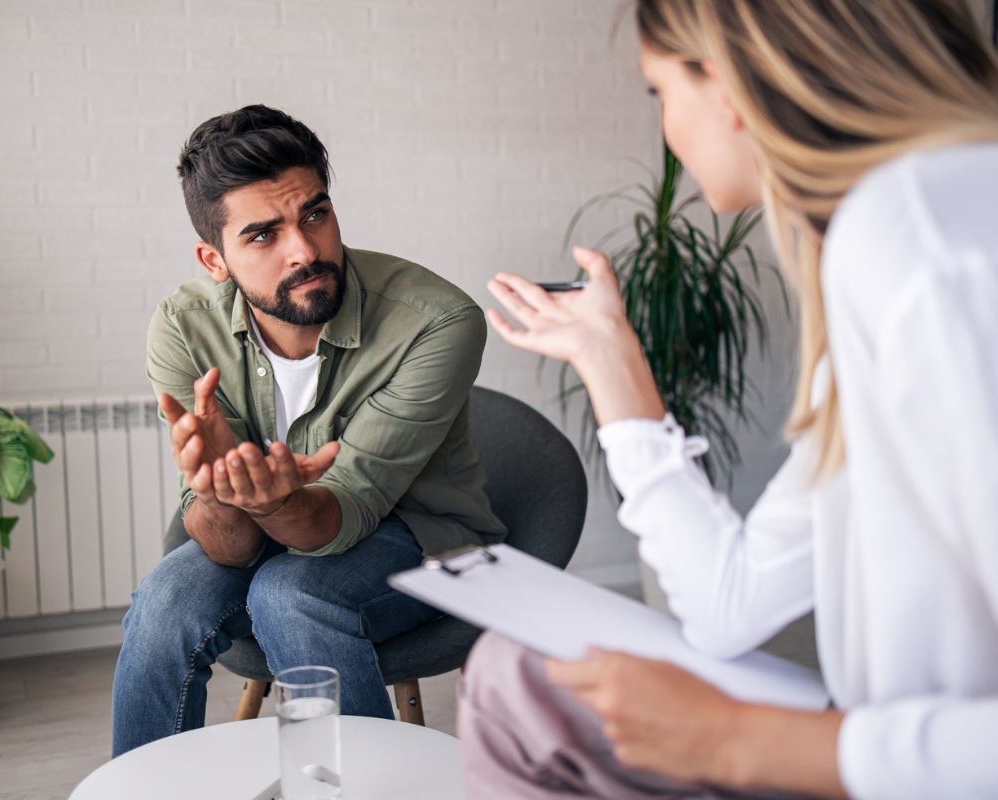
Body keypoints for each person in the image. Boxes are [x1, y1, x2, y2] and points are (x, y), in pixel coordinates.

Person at [458, 1, 998, 798]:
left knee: (516, 692)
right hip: (892, 752)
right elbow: (729, 603)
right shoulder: (895, 238)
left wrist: (737, 740)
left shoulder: (919, 236)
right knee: (516, 673)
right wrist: (610, 359)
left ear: (730, 78)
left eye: (659, 92)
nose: (670, 128)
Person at [111, 105, 506, 756]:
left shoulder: (437, 322)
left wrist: (275, 501)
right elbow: (229, 546)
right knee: (164, 601)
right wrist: (218, 490)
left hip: (422, 539)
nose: (304, 250)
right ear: (215, 259)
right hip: (273, 536)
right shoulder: (184, 328)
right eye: (263, 235)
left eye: (315, 214)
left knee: (291, 593)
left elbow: (346, 510)